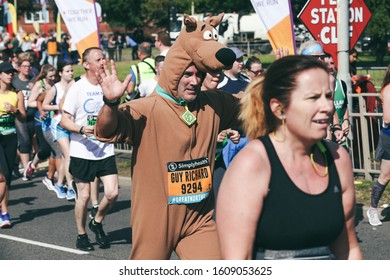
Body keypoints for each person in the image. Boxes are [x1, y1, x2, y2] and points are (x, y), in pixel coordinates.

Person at [95, 13, 237, 259]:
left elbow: (255, 108)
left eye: (199, 75)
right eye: (187, 74)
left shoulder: (213, 104)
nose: (195, 81)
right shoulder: (147, 108)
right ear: (173, 72)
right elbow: (106, 132)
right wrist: (110, 102)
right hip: (156, 219)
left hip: (199, 219)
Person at [216, 55, 363, 260]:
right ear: (279, 108)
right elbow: (236, 262)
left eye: (328, 96)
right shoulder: (252, 164)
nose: (328, 107)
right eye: (313, 98)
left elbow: (349, 249)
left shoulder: (338, 159)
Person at [60, 47, 119, 251]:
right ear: (86, 64)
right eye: (98, 59)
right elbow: (64, 120)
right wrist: (81, 129)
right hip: (82, 150)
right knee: (83, 196)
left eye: (104, 58)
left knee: (112, 194)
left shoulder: (108, 85)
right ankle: (81, 234)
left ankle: (97, 221)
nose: (103, 62)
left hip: (105, 149)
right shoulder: (77, 88)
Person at [42, 62, 76, 200]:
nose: (71, 73)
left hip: (72, 123)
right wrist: (59, 106)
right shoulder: (55, 88)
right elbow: (44, 105)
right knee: (68, 156)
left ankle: (60, 183)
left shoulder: (76, 86)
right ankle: (70, 188)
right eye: (67, 71)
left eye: (72, 71)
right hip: (59, 123)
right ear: (60, 73)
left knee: (65, 157)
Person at [0, 62, 26, 228]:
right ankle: (4, 213)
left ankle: (4, 211)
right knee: (1, 177)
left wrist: (14, 109)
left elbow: (23, 117)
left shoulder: (17, 93)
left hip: (10, 137)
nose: (10, 75)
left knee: (7, 178)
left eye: (12, 73)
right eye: (7, 72)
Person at [25, 64, 57, 182]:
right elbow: (30, 103)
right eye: (50, 76)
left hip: (54, 119)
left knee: (56, 150)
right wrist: (44, 105)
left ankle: (51, 175)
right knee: (45, 149)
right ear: (45, 75)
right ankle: (32, 165)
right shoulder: (40, 85)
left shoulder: (56, 83)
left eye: (54, 76)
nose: (53, 78)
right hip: (41, 120)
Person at [367, 64, 390, 226]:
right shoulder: (388, 90)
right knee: (386, 175)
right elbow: (388, 118)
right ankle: (372, 209)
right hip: (389, 138)